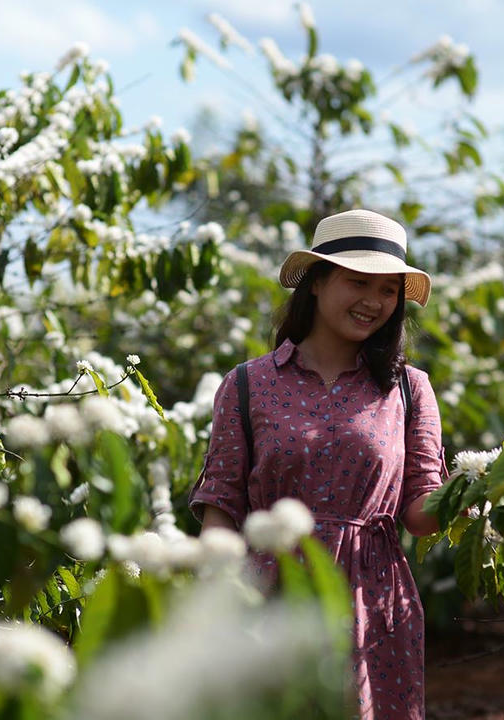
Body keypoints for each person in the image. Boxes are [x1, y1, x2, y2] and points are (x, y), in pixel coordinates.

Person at [189, 208, 448, 720]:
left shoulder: (408, 388)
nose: (374, 301)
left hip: (373, 601)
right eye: (358, 282)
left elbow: (421, 514)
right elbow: (222, 507)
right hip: (270, 596)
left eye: (388, 290)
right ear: (316, 282)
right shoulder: (248, 384)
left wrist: (485, 485)